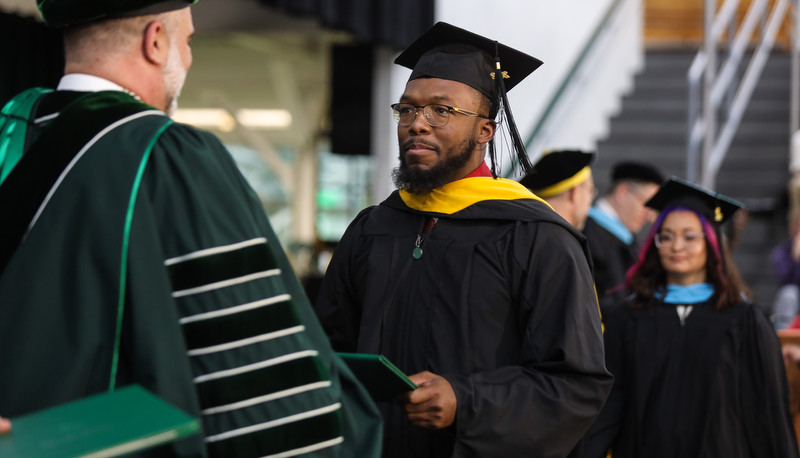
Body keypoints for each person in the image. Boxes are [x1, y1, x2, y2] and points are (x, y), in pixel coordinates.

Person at [0, 1, 382, 457]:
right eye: (188, 40)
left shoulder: (10, 132)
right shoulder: (171, 158)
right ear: (156, 40)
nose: (190, 55)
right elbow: (258, 381)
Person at [314, 21, 612, 458]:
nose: (417, 124)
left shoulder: (535, 236)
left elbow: (576, 382)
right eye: (408, 110)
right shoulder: (373, 228)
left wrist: (467, 400)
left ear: (485, 131)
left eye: (442, 110)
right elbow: (332, 348)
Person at [585, 176, 799, 458]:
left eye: (689, 236)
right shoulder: (631, 318)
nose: (677, 246)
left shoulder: (743, 320)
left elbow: (766, 409)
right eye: (667, 236)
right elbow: (610, 404)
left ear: (710, 243)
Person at [583, 161, 663, 317]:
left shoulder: (628, 240)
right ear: (623, 192)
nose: (650, 216)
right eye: (647, 204)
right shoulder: (587, 234)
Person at [520, 149, 597, 230]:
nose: (590, 203)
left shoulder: (517, 229)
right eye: (590, 191)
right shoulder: (563, 240)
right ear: (574, 192)